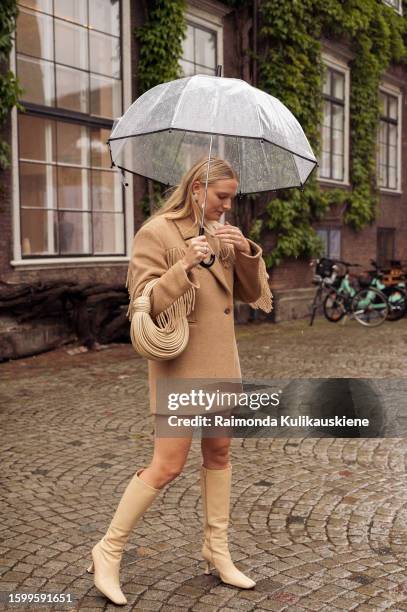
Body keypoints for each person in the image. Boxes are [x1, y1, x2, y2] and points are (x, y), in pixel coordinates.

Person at [86, 157, 273, 605]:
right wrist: (184, 264)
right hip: (181, 366)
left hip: (222, 365)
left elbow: (250, 295)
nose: (227, 205)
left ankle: (217, 550)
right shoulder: (158, 232)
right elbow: (141, 302)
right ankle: (108, 550)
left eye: (232, 197)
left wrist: (245, 250)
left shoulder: (224, 233)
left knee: (220, 452)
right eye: (220, 196)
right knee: (168, 464)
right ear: (195, 189)